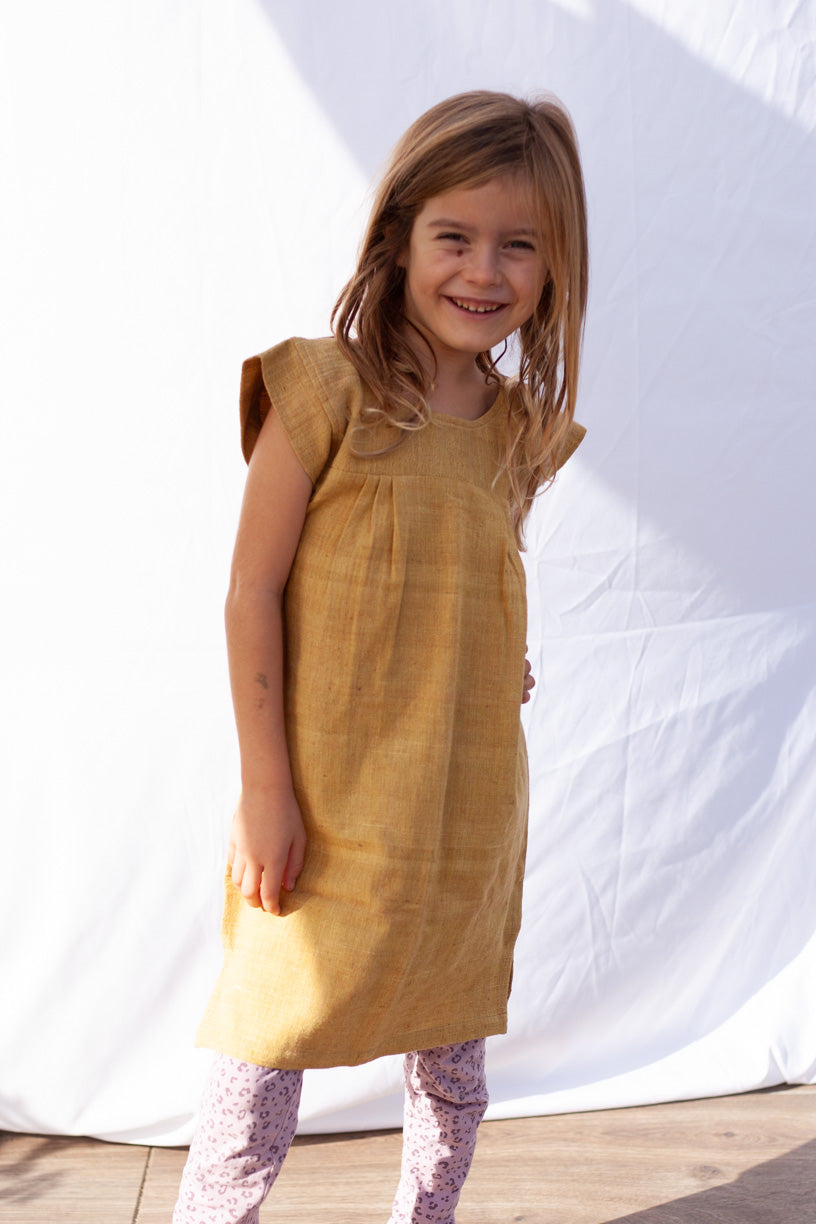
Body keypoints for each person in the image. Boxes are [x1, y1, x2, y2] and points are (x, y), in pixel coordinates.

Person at [174, 89, 588, 1224]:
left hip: (460, 812)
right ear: (400, 235)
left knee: (453, 1071)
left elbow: (468, 565)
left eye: (519, 246)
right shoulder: (324, 391)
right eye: (456, 236)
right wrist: (265, 791)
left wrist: (491, 653)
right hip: (322, 800)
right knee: (261, 1059)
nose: (484, 271)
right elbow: (251, 593)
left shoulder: (516, 430)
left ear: (555, 266)